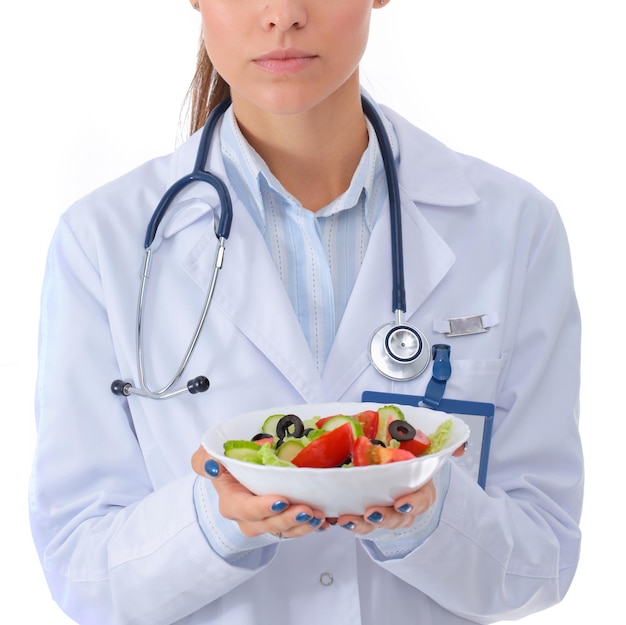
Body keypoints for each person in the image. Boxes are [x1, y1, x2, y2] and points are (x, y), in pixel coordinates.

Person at [29, 1, 584, 624]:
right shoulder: (103, 239)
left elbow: (543, 560)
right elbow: (80, 567)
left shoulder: (513, 227)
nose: (282, 14)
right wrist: (219, 520)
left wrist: (429, 516)